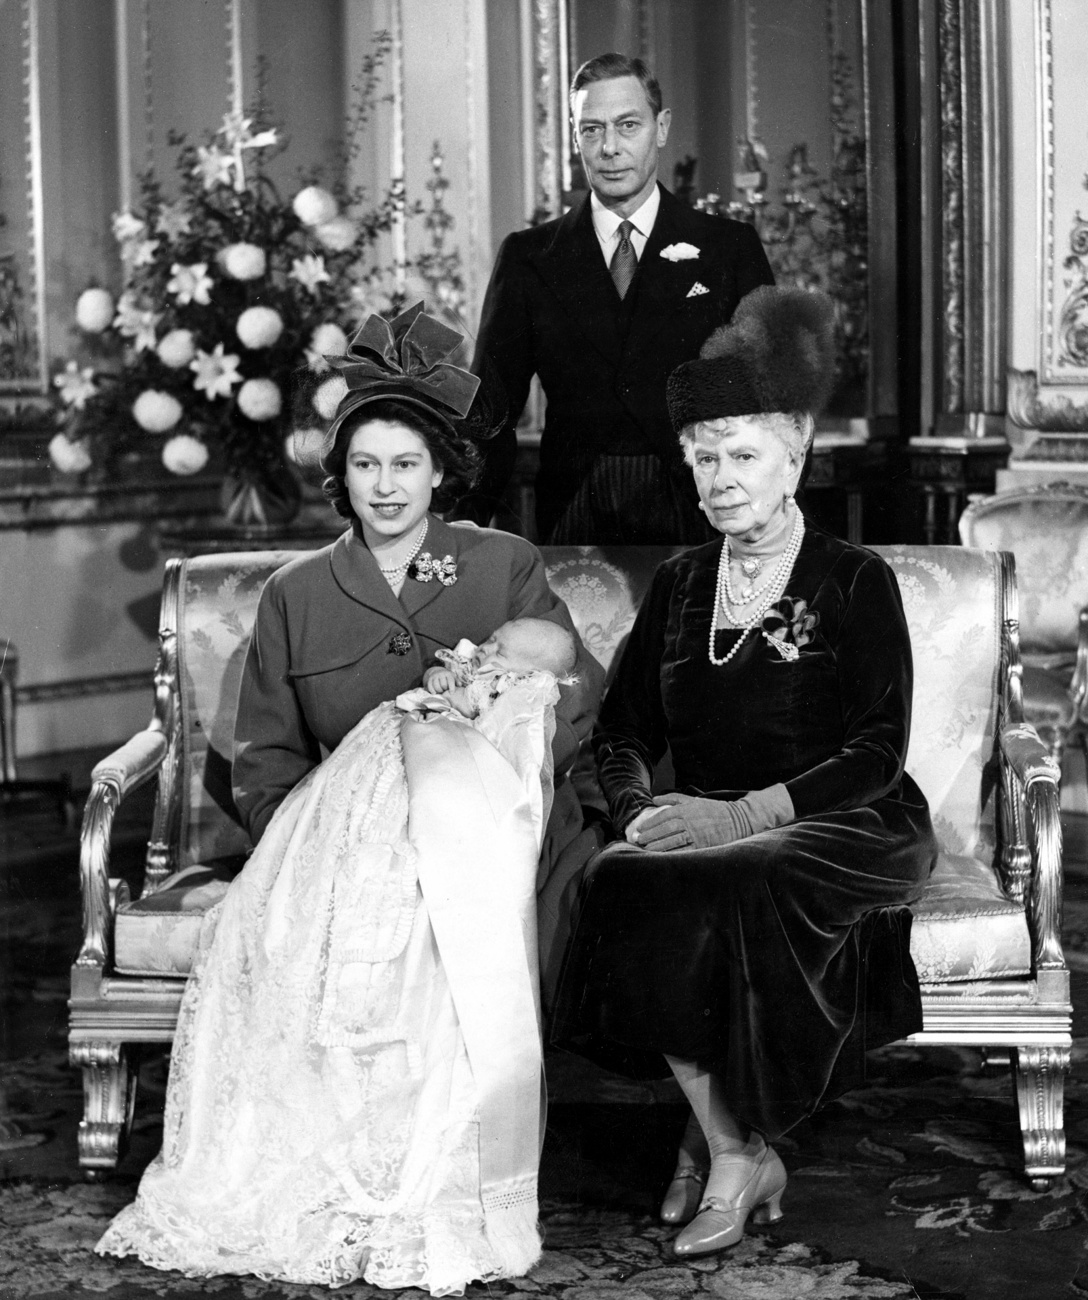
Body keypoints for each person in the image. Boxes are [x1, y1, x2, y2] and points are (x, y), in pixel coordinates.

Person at [95, 305, 604, 1294]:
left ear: (438, 473)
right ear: (342, 478)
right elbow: (264, 755)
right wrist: (312, 848)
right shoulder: (296, 592)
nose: (385, 485)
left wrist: (498, 715)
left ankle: (442, 1180)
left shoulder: (499, 563)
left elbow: (564, 701)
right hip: (345, 827)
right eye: (366, 466)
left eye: (404, 464)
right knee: (328, 922)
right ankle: (346, 1178)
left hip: (490, 826)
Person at [551, 286, 937, 1258]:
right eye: (705, 459)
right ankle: (734, 1142)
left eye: (743, 456)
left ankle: (721, 1144)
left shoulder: (853, 580)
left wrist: (738, 818)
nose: (721, 480)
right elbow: (620, 730)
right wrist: (640, 809)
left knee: (741, 874)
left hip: (848, 819)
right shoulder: (681, 584)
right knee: (618, 877)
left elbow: (875, 750)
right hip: (709, 817)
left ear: (793, 455)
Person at [463, 51, 775, 546]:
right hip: (574, 507)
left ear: (662, 126)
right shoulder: (530, 257)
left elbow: (770, 397)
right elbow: (489, 411)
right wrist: (463, 524)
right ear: (574, 137)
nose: (609, 147)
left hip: (701, 504)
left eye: (627, 125)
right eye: (591, 129)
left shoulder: (728, 248)